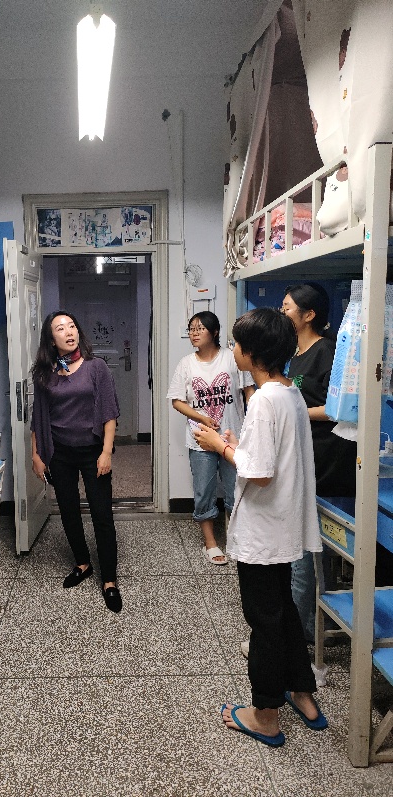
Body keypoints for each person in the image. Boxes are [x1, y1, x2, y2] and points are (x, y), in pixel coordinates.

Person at [195, 308, 327, 747]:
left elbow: (261, 472)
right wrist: (240, 444)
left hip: (264, 533)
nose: (233, 349)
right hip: (283, 528)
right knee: (283, 611)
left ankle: (265, 715)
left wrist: (218, 445)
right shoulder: (288, 393)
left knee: (264, 622)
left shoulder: (264, 401)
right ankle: (302, 693)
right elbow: (270, 454)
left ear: (251, 352)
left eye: (236, 343)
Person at [30, 311, 122, 613]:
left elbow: (109, 412)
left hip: (93, 451)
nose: (69, 332)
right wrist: (36, 454)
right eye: (60, 328)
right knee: (68, 511)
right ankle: (83, 563)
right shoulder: (44, 374)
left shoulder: (96, 367)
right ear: (51, 339)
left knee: (101, 514)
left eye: (72, 326)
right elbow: (38, 417)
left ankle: (109, 579)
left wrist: (106, 452)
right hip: (60, 453)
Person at [282, 283, 356, 642]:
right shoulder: (295, 353)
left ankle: (302, 634)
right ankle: (309, 625)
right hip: (302, 457)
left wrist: (292, 411)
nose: (282, 313)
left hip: (325, 462)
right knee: (306, 553)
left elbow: (335, 408)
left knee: (310, 551)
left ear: (309, 315)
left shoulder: (326, 351)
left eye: (287, 308)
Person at [167, 311, 255, 564]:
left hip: (232, 438)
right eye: (191, 329)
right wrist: (202, 418)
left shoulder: (232, 358)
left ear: (214, 332)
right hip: (200, 439)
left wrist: (252, 423)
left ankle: (238, 540)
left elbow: (249, 391)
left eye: (200, 328)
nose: (194, 333)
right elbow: (177, 401)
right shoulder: (186, 364)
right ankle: (210, 543)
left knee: (236, 491)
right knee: (203, 491)